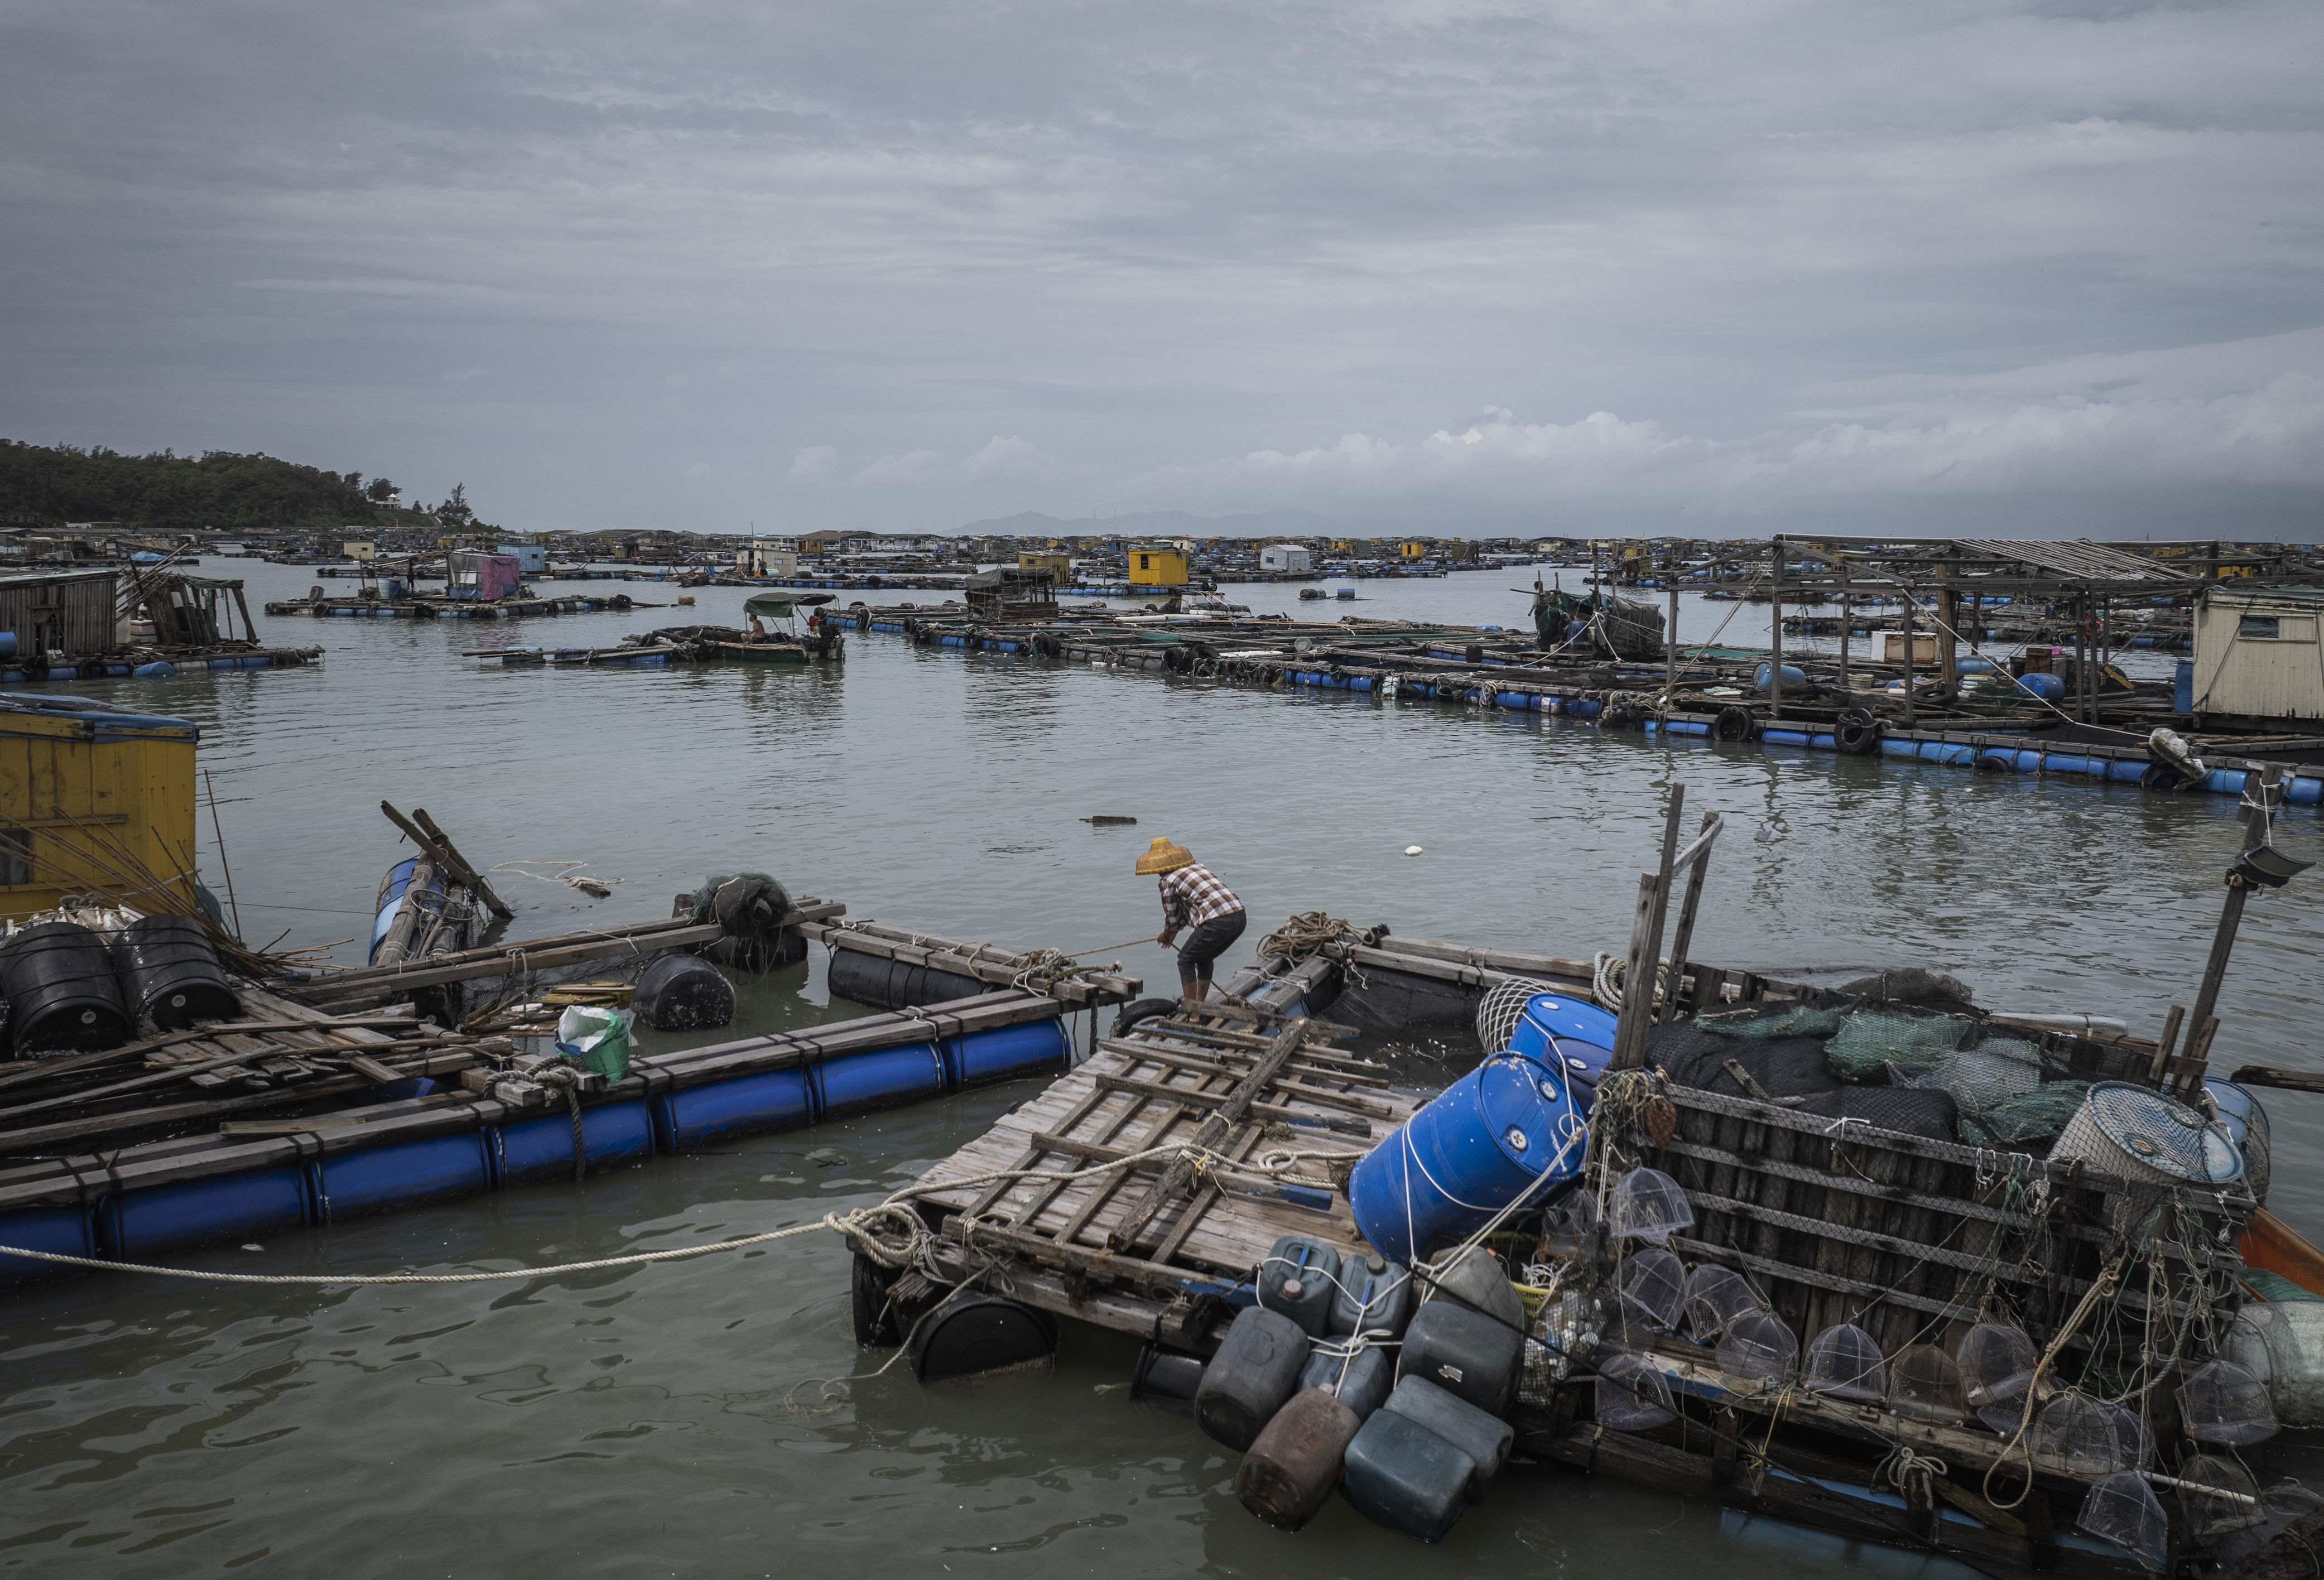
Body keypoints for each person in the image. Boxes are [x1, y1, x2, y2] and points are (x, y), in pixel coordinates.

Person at [1134, 837, 1247, 1003]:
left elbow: (1172, 918)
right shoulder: (1197, 868)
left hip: (1216, 921)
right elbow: (1186, 914)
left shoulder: (1167, 881)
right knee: (1204, 957)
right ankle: (1199, 1004)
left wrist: (1167, 934)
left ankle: (1193, 1011)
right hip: (1239, 916)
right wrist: (1171, 934)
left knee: (1185, 960)